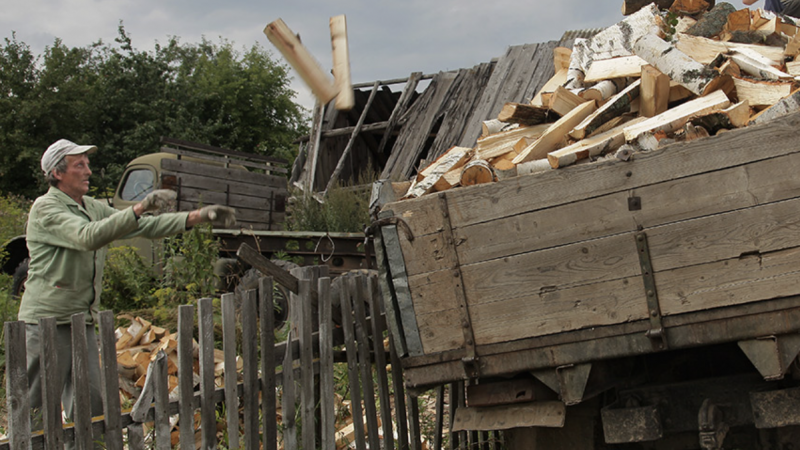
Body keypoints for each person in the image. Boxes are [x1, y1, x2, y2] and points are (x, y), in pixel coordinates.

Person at [18, 139, 236, 445]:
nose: (88, 170)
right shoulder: (47, 208)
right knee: (39, 402)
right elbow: (87, 237)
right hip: (47, 319)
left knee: (92, 402)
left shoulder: (91, 206)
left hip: (83, 318)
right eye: (79, 164)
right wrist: (140, 205)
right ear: (57, 173)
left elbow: (142, 226)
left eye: (87, 163)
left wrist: (198, 217)